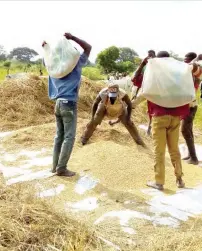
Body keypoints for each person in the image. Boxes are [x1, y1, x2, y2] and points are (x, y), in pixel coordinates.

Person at [43, 33, 91, 177]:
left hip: (57, 104)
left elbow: (47, 58)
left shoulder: (52, 66)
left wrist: (47, 49)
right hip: (69, 104)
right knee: (69, 137)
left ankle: (54, 166)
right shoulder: (75, 64)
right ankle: (61, 168)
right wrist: (73, 38)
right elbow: (88, 47)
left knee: (59, 136)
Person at [146, 51, 189, 191]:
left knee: (159, 151)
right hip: (175, 117)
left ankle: (159, 182)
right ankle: (180, 179)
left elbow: (142, 85)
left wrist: (149, 61)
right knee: (174, 149)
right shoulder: (177, 76)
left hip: (160, 117)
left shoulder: (157, 75)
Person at [80, 83, 145, 146]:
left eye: (114, 96)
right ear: (108, 92)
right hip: (104, 107)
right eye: (111, 96)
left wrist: (128, 118)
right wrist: (92, 118)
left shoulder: (123, 94)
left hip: (120, 108)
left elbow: (130, 105)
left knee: (129, 124)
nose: (112, 99)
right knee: (94, 121)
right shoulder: (103, 93)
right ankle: (84, 139)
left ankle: (139, 142)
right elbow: (95, 104)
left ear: (118, 92)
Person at [181, 52, 202, 165]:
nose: (185, 63)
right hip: (187, 104)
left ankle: (194, 158)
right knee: (188, 130)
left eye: (186, 61)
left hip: (190, 106)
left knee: (185, 130)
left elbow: (192, 66)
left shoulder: (198, 69)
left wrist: (196, 59)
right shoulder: (188, 71)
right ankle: (191, 154)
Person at [131, 49, 156, 136]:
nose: (150, 57)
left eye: (152, 55)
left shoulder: (158, 67)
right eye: (148, 55)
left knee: (152, 111)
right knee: (131, 104)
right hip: (144, 90)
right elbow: (135, 78)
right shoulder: (146, 69)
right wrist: (142, 63)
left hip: (154, 92)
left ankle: (149, 128)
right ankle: (124, 121)